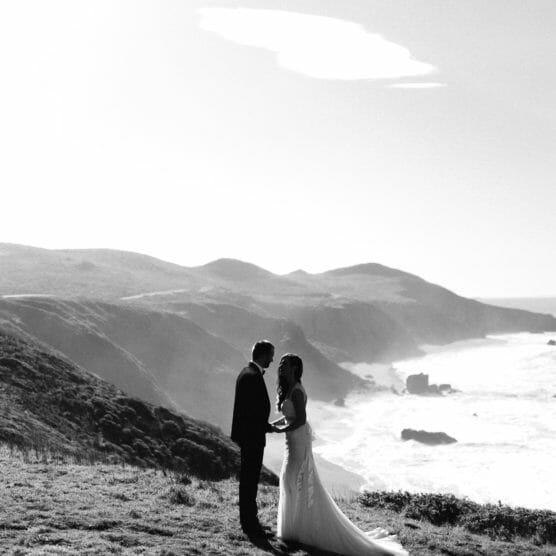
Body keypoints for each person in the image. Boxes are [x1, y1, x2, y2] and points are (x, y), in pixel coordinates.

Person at [273, 353, 408, 556]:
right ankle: (294, 528)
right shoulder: (289, 389)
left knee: (296, 479)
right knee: (288, 479)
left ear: (294, 368)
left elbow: (300, 420)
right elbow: (288, 417)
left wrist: (277, 430)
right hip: (291, 441)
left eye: (286, 364)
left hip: (298, 441)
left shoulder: (297, 392)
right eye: (282, 364)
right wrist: (271, 425)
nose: (282, 367)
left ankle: (300, 528)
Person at [231, 340, 284, 536]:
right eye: (271, 355)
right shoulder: (251, 376)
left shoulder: (246, 373)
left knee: (249, 479)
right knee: (249, 480)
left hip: (249, 435)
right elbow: (251, 411)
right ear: (262, 354)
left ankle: (250, 521)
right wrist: (267, 427)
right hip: (252, 436)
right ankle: (250, 524)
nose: (272, 359)